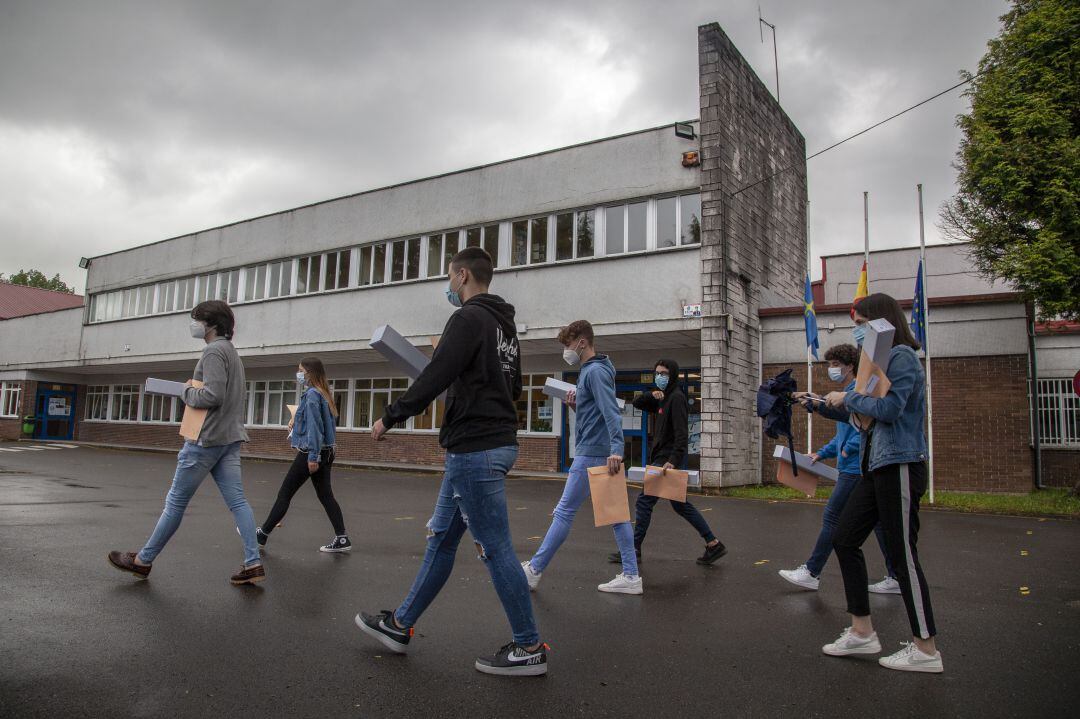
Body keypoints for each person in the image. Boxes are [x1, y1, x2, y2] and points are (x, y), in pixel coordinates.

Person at [354, 247, 547, 677]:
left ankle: (529, 646)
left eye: (448, 277)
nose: (448, 285)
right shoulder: (504, 328)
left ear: (461, 276)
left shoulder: (467, 319)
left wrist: (390, 416)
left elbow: (434, 375)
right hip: (489, 442)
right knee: (441, 540)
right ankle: (400, 625)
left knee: (495, 548)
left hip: (473, 450)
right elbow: (511, 386)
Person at [817, 293, 943, 673]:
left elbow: (889, 410)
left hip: (900, 465)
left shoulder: (901, 357)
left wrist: (850, 397)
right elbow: (867, 420)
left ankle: (926, 650)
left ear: (881, 322)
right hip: (877, 467)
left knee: (902, 556)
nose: (857, 331)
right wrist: (841, 404)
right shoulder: (879, 363)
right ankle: (862, 632)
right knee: (844, 537)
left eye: (860, 323)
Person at [107, 300, 264, 586]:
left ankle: (143, 560)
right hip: (229, 438)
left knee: (175, 502)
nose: (193, 325)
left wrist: (186, 392)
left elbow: (212, 395)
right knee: (238, 501)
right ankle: (253, 562)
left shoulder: (214, 351)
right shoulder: (232, 353)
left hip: (205, 440)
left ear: (212, 324)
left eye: (196, 319)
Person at [522, 320, 642, 595]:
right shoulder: (595, 370)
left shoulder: (595, 372)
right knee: (617, 516)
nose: (567, 350)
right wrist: (577, 404)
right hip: (598, 449)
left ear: (582, 343)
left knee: (564, 512)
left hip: (591, 452)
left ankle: (534, 570)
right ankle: (632, 575)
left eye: (568, 344)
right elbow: (597, 412)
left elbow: (611, 411)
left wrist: (617, 449)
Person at [780, 343, 899, 594]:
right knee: (878, 523)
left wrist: (849, 449)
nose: (832, 369)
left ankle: (812, 572)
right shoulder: (848, 391)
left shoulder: (855, 392)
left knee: (833, 517)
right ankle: (897, 576)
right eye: (830, 364)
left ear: (850, 366)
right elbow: (843, 432)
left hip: (855, 468)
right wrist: (822, 453)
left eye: (836, 365)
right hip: (855, 466)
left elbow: (863, 426)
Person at [609, 359, 726, 566]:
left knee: (644, 502)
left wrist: (673, 460)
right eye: (657, 373)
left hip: (666, 459)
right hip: (662, 457)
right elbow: (638, 403)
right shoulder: (663, 398)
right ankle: (713, 543)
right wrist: (650, 394)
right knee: (680, 506)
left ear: (672, 375)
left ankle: (634, 549)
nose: (659, 376)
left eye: (663, 373)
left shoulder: (677, 398)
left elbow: (682, 433)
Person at [256, 357, 350, 553]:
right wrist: (297, 423)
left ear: (309, 373)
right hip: (327, 451)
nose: (298, 374)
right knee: (325, 495)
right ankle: (342, 538)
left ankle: (262, 534)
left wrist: (313, 457)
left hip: (312, 452)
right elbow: (322, 425)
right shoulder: (324, 393)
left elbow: (316, 428)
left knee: (285, 493)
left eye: (300, 371)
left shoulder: (313, 395)